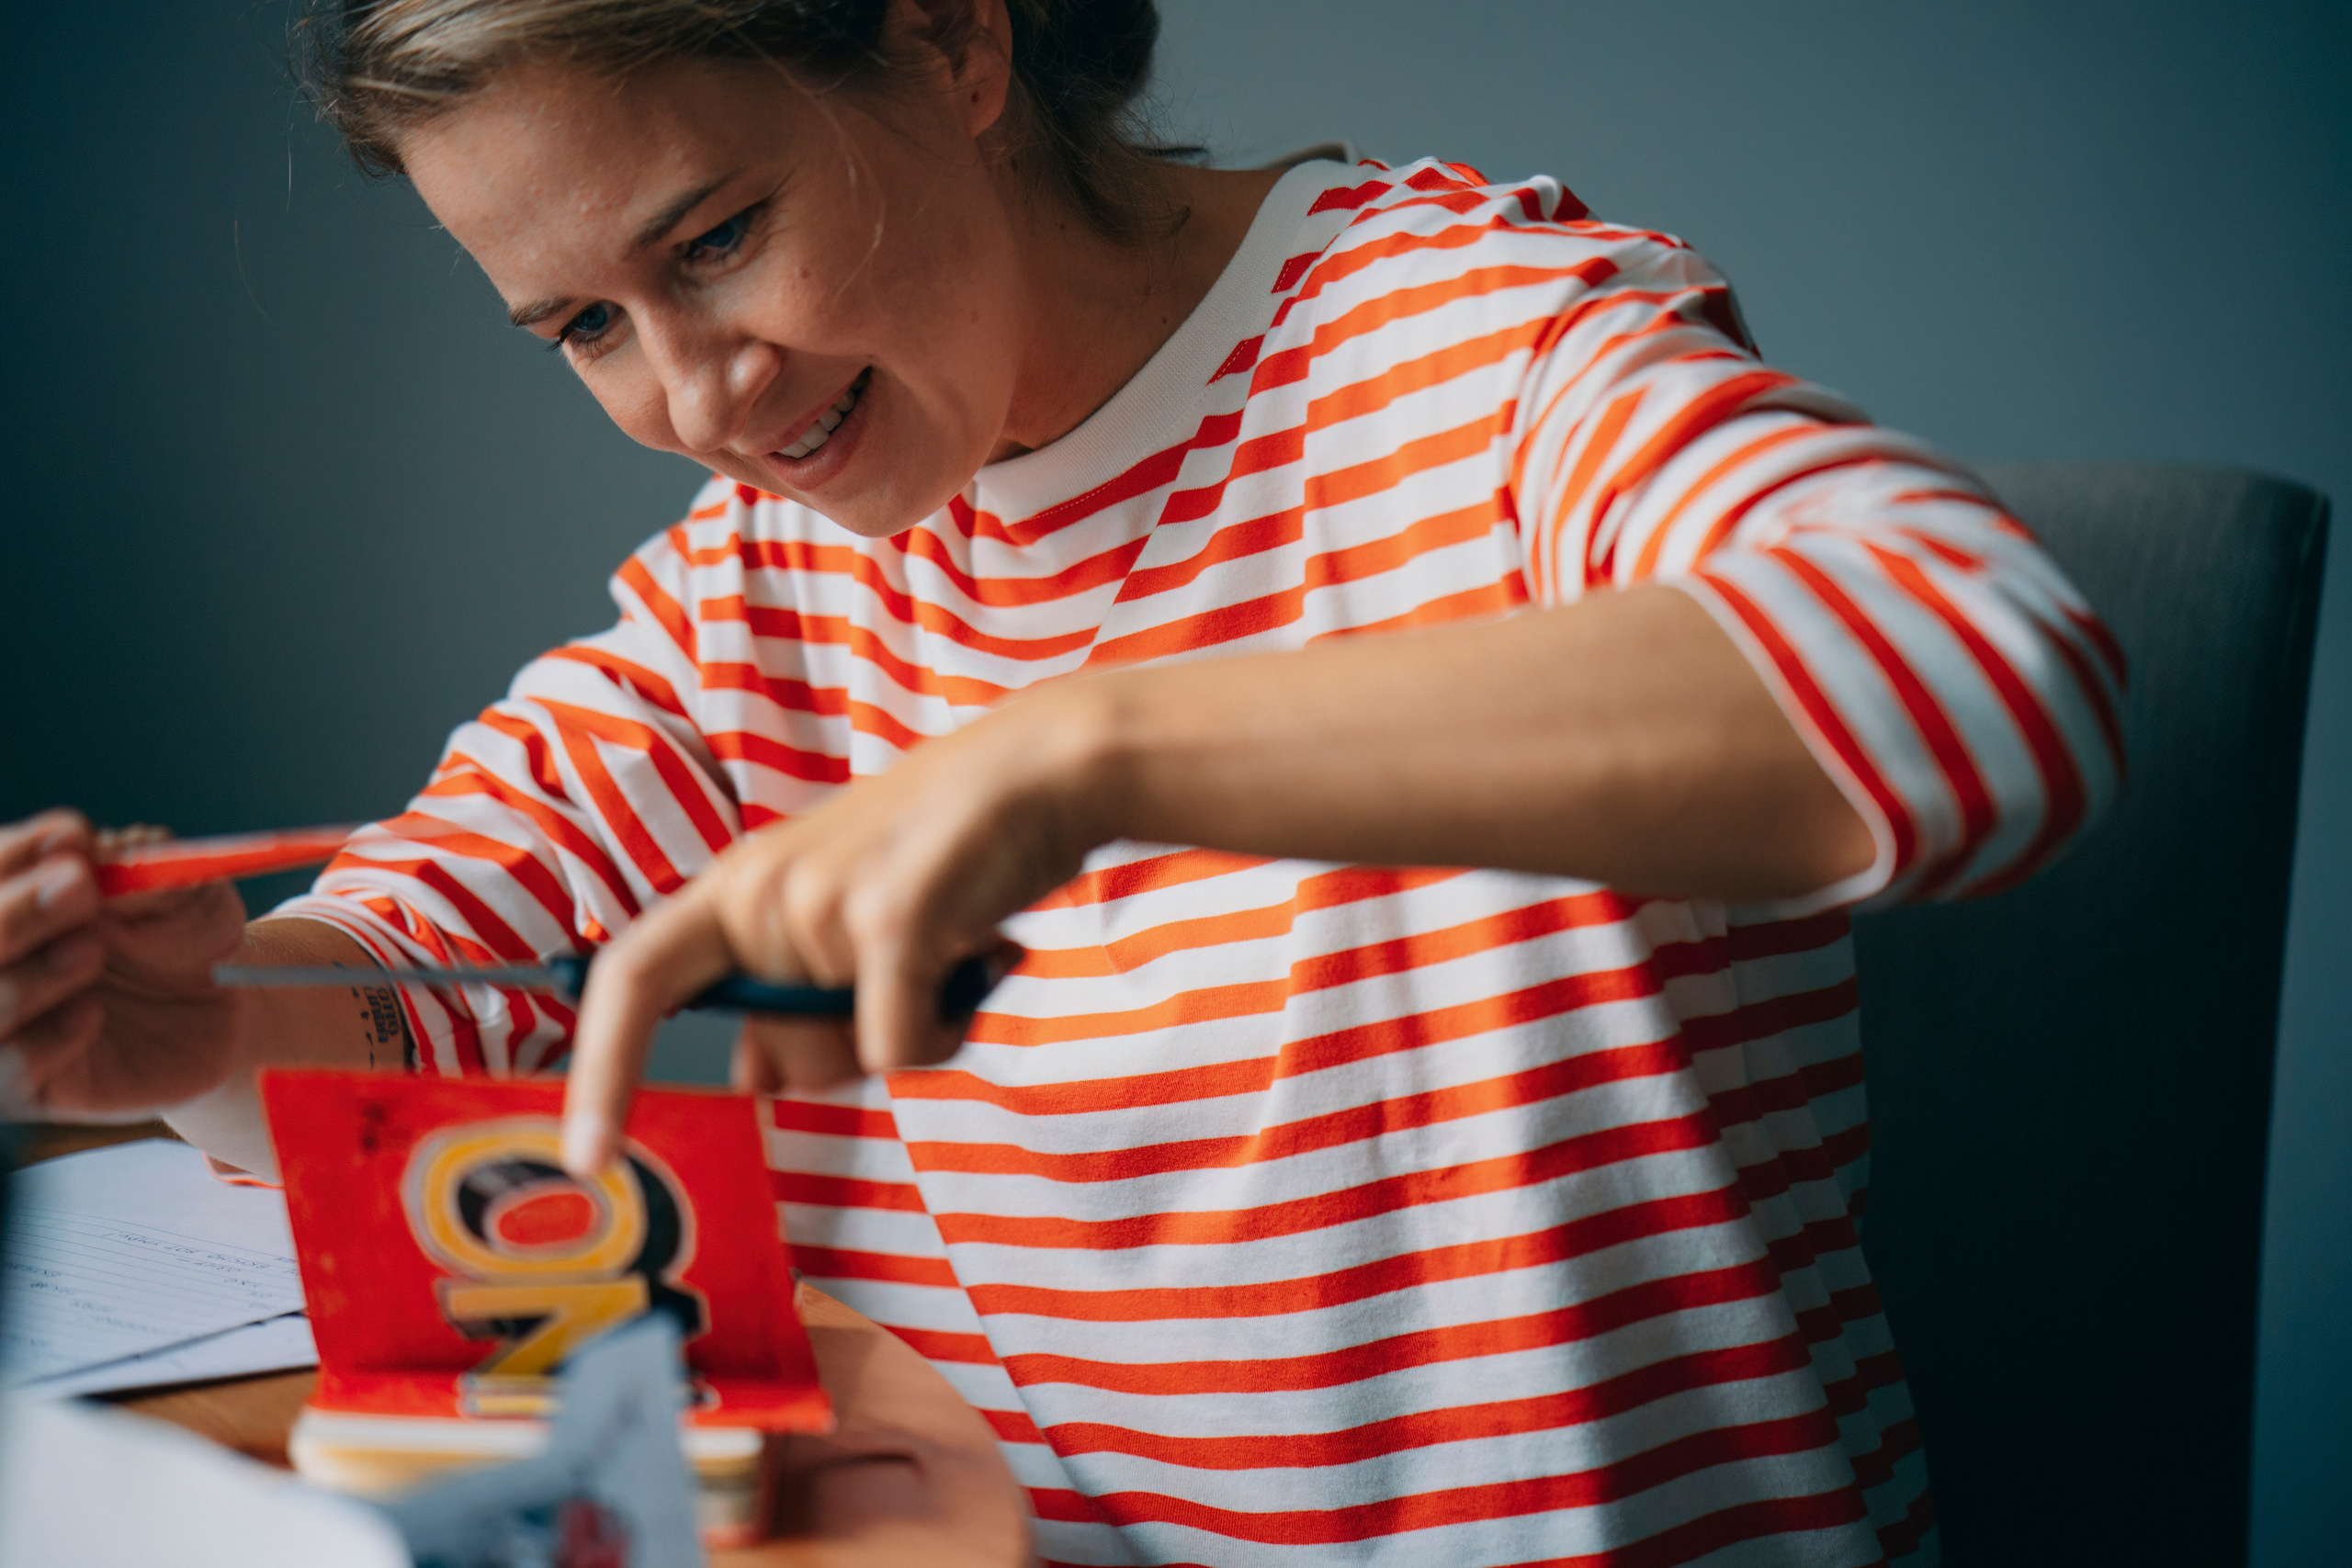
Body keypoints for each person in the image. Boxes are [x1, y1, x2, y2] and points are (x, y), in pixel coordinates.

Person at [0, 1, 2126, 1562]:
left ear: (948, 37)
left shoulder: (1472, 344)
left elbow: (1977, 674)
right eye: (583, 326)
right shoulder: (768, 571)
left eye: (720, 236)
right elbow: (428, 961)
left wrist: (1076, 747)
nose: (697, 394)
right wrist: (198, 1024)